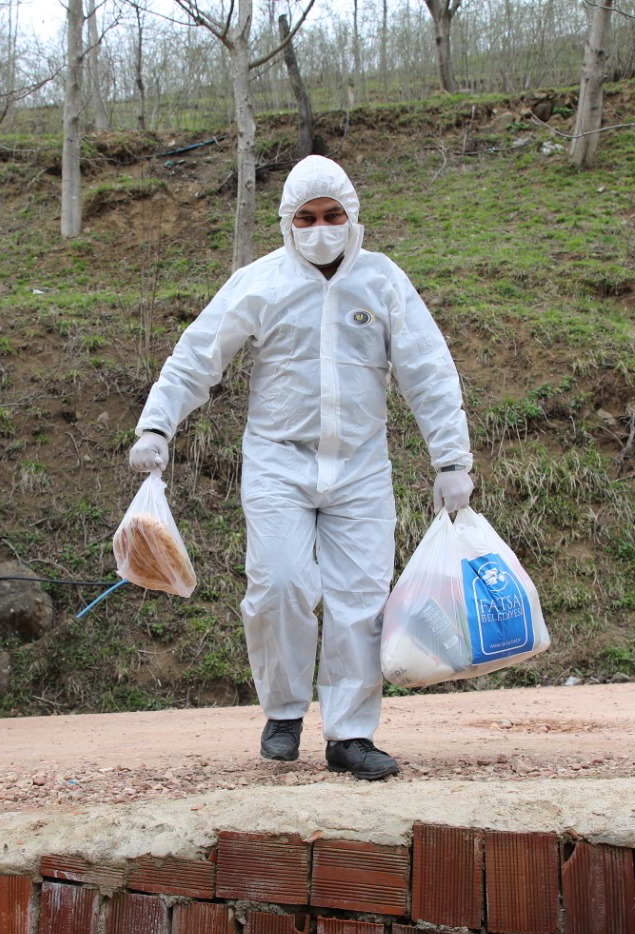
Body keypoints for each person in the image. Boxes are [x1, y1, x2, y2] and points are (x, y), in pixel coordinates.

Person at [127, 155, 474, 781]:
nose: (321, 228)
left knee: (360, 603)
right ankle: (284, 712)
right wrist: (157, 423)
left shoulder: (383, 282)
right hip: (277, 464)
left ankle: (350, 734)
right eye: (307, 218)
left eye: (332, 215)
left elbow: (428, 371)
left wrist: (450, 459)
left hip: (362, 470)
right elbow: (197, 355)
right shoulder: (260, 283)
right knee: (279, 585)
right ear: (288, 222)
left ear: (352, 217)